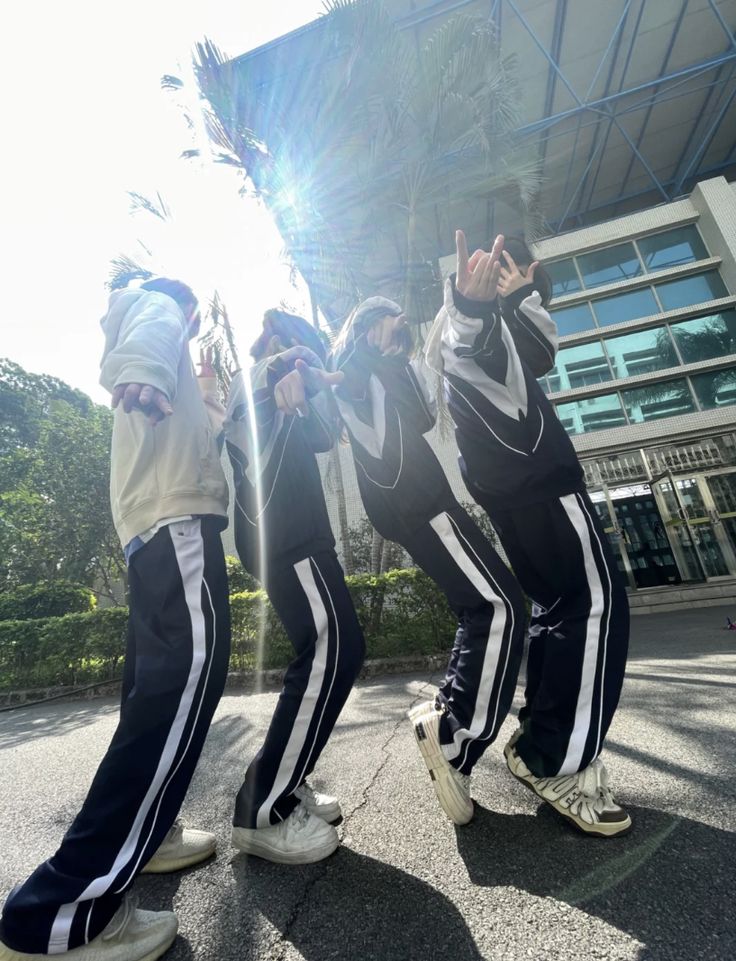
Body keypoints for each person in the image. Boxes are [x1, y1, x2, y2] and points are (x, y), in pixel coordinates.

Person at [0, 278, 232, 961]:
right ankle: (59, 911)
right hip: (176, 523)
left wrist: (205, 399)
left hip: (156, 528)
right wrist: (148, 363)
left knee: (153, 693)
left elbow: (189, 423)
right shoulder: (156, 306)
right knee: (181, 687)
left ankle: (150, 839)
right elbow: (151, 324)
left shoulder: (172, 372)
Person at [424, 231, 631, 837]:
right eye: (519, 272)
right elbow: (508, 348)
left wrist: (486, 307)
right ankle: (551, 760)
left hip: (520, 488)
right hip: (539, 485)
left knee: (561, 609)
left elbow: (505, 352)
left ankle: (543, 742)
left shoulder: (477, 324)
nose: (533, 288)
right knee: (594, 603)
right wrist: (490, 303)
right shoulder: (482, 321)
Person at [330, 297, 526, 827]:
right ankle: (453, 738)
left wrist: (397, 351)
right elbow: (353, 397)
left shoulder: (385, 367)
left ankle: (445, 717)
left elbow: (418, 413)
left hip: (422, 505)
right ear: (372, 323)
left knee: (480, 607)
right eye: (392, 317)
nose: (403, 324)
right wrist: (378, 351)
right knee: (501, 606)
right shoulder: (354, 371)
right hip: (420, 504)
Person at [219, 309, 366, 863]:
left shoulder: (289, 391)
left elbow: (325, 435)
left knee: (331, 653)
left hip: (297, 535)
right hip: (286, 535)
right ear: (280, 345)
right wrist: (290, 364)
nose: (309, 357)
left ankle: (289, 777)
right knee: (336, 649)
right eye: (302, 347)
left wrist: (312, 382)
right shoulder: (254, 381)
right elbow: (265, 386)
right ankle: (262, 807)